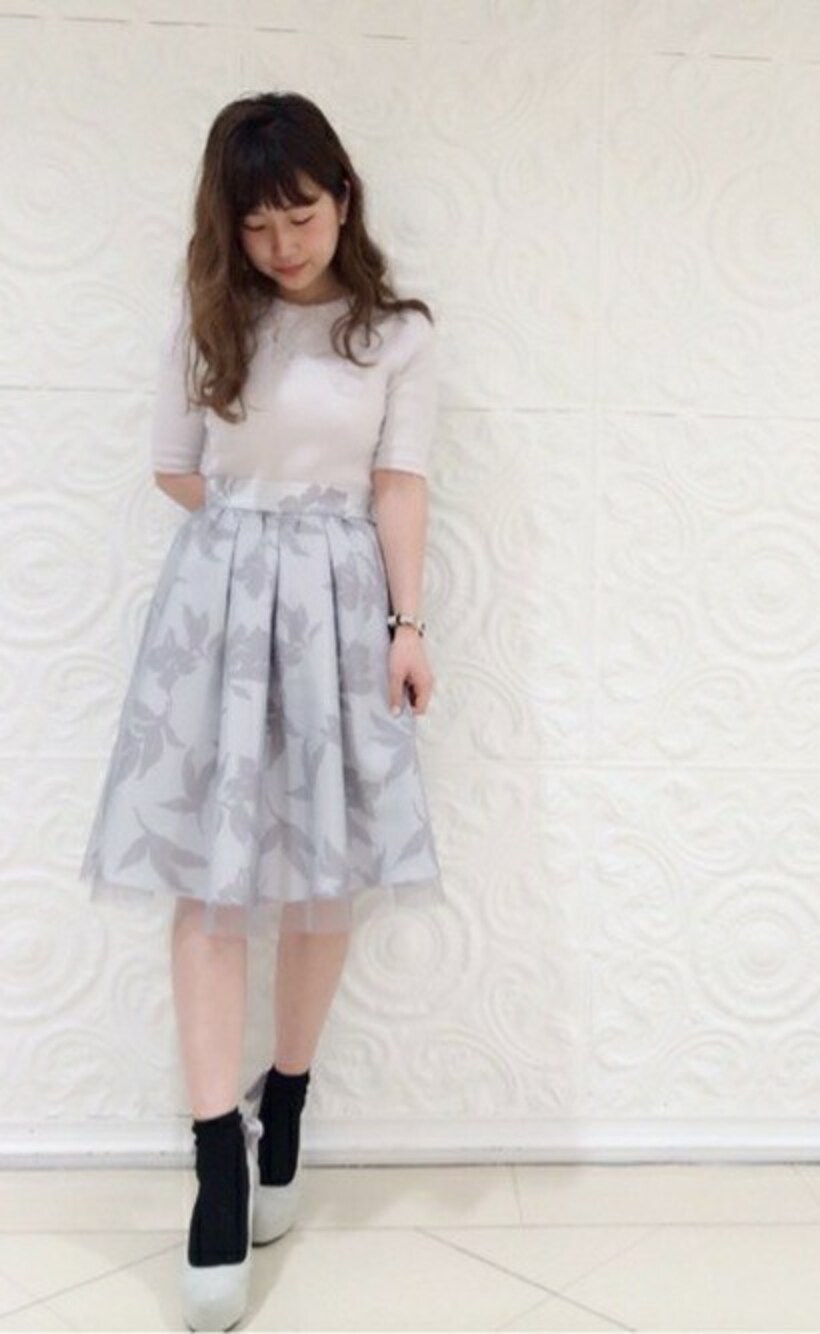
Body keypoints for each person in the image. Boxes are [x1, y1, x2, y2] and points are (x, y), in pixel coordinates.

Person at [76, 91, 446, 1331]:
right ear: (226, 225)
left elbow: (399, 485)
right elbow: (174, 466)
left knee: (322, 871)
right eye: (256, 223)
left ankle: (283, 1096)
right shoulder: (209, 320)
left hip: (343, 609)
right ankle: (217, 1163)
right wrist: (251, 551)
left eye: (300, 214)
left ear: (343, 199)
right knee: (208, 879)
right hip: (219, 610)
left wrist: (404, 623)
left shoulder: (394, 335)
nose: (282, 243)